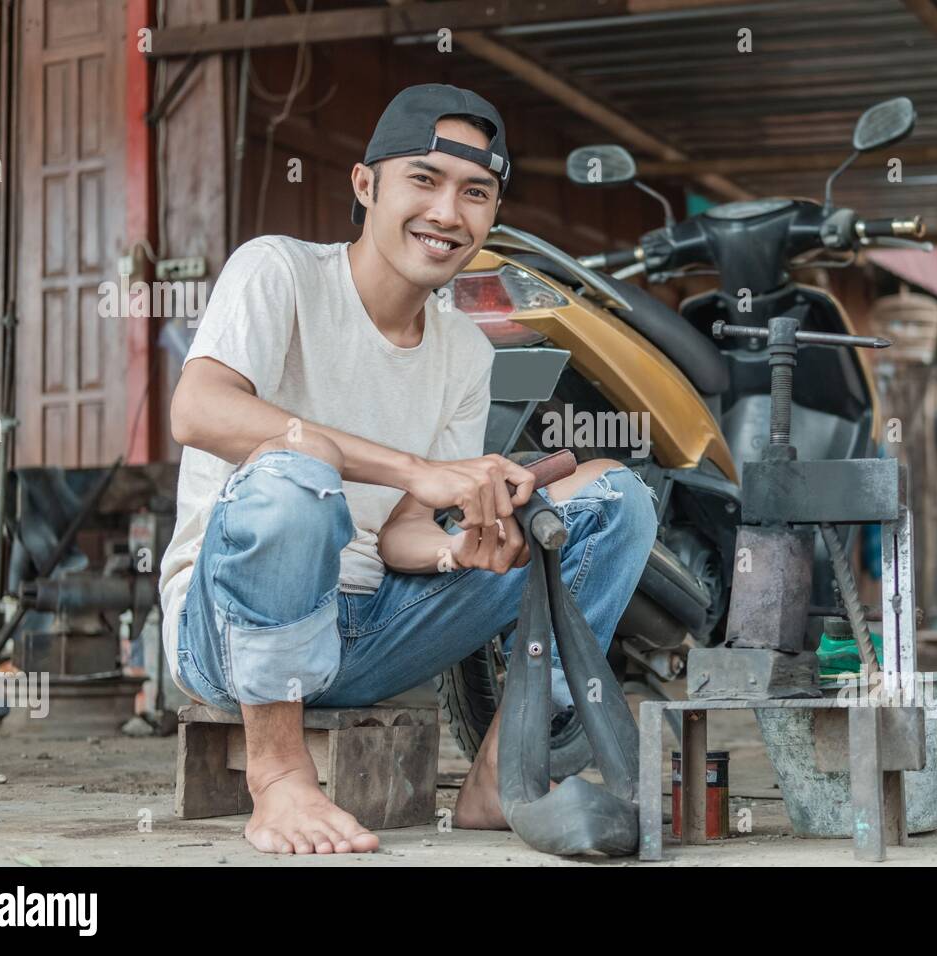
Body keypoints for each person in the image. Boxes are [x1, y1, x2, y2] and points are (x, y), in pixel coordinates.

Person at [159, 84, 658, 855]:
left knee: (613, 499)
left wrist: (465, 547)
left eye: (475, 193)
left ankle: (504, 774)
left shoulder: (464, 350)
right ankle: (280, 780)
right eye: (423, 180)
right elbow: (198, 409)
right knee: (293, 476)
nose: (447, 213)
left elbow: (400, 537)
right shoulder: (279, 273)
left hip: (370, 635)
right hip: (230, 637)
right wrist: (417, 468)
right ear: (367, 186)